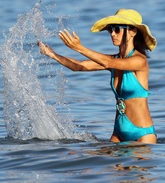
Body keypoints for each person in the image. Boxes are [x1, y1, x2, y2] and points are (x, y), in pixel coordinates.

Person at [37, 9, 157, 144]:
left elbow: (107, 62)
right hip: (118, 133)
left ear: (132, 32)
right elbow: (79, 66)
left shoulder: (140, 61)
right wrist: (52, 54)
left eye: (117, 29)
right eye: (110, 30)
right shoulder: (115, 61)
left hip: (142, 134)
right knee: (84, 161)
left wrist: (79, 47)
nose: (112, 33)